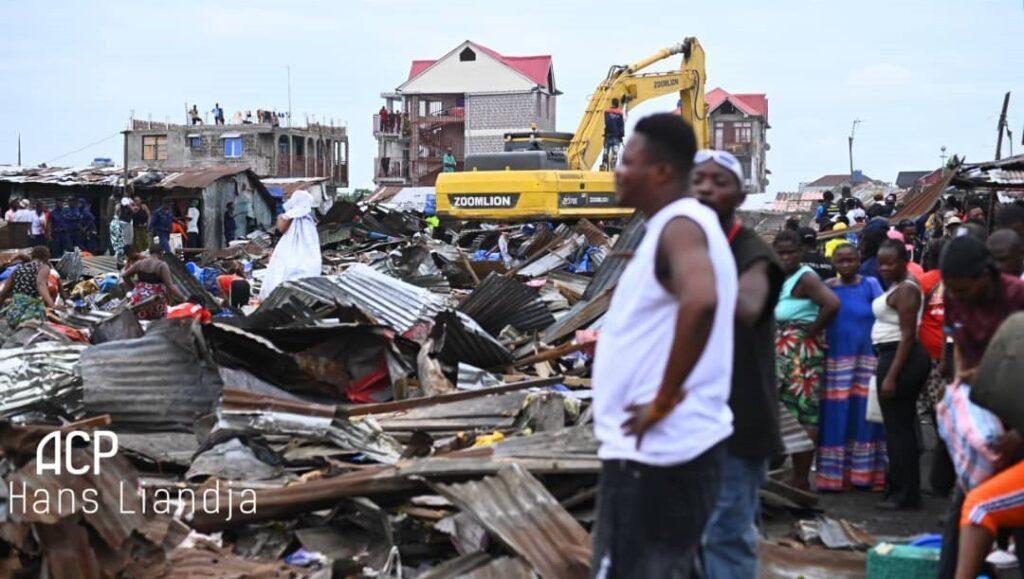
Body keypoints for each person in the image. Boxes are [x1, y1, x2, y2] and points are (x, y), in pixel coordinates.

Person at [590, 114, 736, 577]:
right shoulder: (673, 229)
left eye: (627, 161)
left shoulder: (681, 226)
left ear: (660, 172)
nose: (617, 170)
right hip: (661, 455)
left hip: (657, 458)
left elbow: (702, 300)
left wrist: (663, 399)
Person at [693, 149, 783, 579]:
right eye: (698, 179)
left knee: (725, 536)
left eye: (719, 181)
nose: (707, 188)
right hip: (688, 421)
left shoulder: (751, 253)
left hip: (736, 422)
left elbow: (747, 306)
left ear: (741, 194)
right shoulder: (688, 248)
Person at [937, 235, 1024, 578]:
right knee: (963, 514)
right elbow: (958, 344)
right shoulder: (956, 297)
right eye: (952, 292)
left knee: (998, 514)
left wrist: (1019, 433)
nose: (957, 298)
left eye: (962, 290)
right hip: (979, 417)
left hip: (1016, 416)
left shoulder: (1017, 297)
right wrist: (960, 381)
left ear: (985, 276)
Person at [816, 243, 888, 492]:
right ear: (834, 263)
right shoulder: (825, 288)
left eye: (850, 260)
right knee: (836, 415)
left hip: (866, 360)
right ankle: (833, 477)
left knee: (864, 415)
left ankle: (864, 475)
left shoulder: (870, 285)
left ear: (859, 260)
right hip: (836, 362)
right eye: (841, 261)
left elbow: (884, 314)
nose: (846, 265)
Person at [773, 230, 840, 490]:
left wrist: (811, 331)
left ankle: (800, 477)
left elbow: (832, 304)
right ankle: (784, 472)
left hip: (802, 353)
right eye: (781, 253)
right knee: (782, 410)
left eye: (791, 253)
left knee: (804, 413)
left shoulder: (807, 278)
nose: (786, 257)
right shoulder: (781, 277)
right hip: (783, 350)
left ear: (801, 252)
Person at [872, 239, 930, 510]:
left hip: (900, 357)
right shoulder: (898, 286)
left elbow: (908, 336)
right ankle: (898, 488)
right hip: (893, 355)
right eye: (880, 262)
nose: (883, 268)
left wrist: (891, 375)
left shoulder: (907, 290)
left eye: (889, 263)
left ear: (903, 263)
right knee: (897, 429)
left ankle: (904, 494)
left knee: (900, 431)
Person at [258, 190, 322, 300]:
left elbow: (280, 228)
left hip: (290, 252)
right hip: (309, 258)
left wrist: (283, 217)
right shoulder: (310, 220)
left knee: (283, 274)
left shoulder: (288, 216)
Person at [122, 242, 186, 320]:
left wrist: (135, 288)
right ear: (161, 253)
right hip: (154, 304)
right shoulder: (161, 265)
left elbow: (125, 276)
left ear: (150, 252)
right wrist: (184, 298)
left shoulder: (139, 263)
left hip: (137, 302)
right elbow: (170, 286)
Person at [0, 246, 58, 328]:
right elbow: (41, 284)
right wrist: (52, 305)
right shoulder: (43, 267)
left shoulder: (18, 268)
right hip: (32, 314)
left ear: (32, 256)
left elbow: (4, 292)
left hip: (14, 315)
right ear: (46, 257)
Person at [603, 98, 626, 168]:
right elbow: (621, 125)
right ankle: (613, 168)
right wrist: (621, 135)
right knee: (615, 154)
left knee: (605, 153)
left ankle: (604, 166)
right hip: (616, 137)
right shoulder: (620, 113)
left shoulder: (606, 112)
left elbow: (607, 123)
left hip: (608, 136)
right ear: (618, 104)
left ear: (612, 103)